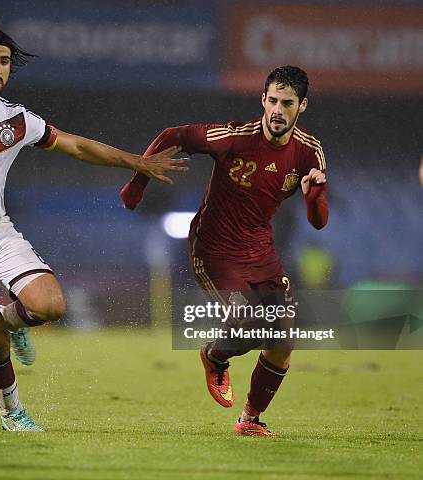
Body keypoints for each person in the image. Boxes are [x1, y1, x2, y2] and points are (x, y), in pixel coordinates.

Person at [0, 28, 187, 433]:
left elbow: (76, 146)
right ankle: (12, 414)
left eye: (4, 62)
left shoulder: (16, 121)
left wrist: (136, 162)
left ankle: (12, 321)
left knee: (51, 305)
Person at [120, 66, 328, 436]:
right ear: (263, 100)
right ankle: (215, 355)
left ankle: (249, 420)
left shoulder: (309, 153)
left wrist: (313, 199)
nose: (278, 110)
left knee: (283, 336)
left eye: (288, 103)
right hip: (213, 248)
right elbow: (175, 135)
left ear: (303, 106)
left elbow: (318, 221)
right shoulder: (234, 137)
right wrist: (138, 182)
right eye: (274, 101)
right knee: (250, 318)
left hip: (260, 249)